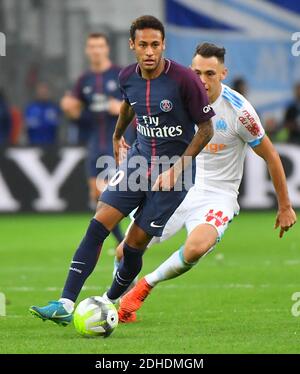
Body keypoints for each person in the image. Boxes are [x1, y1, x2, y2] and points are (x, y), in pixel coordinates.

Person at [29, 16, 214, 326]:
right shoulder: (128, 76)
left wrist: (179, 166)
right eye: (143, 45)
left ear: (163, 45)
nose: (150, 51)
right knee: (99, 220)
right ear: (132, 46)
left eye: (155, 44)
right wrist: (118, 136)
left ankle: (110, 299)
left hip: (174, 172)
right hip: (138, 161)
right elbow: (129, 105)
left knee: (134, 244)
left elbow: (206, 129)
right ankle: (64, 302)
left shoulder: (184, 80)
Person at [117, 42, 297, 323]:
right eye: (197, 72)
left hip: (218, 194)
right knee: (124, 251)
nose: (202, 80)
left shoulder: (240, 111)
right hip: (178, 185)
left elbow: (272, 156)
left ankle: (143, 288)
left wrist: (285, 205)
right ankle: (119, 309)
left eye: (210, 73)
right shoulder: (176, 98)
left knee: (196, 247)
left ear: (223, 73)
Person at [61, 32, 124, 242]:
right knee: (97, 197)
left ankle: (128, 243)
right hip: (94, 143)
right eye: (92, 47)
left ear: (106, 49)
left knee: (111, 197)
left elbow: (140, 104)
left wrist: (123, 107)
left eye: (100, 46)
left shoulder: (119, 75)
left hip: (118, 144)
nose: (96, 50)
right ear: (88, 51)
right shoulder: (84, 80)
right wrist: (70, 109)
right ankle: (123, 242)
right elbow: (77, 113)